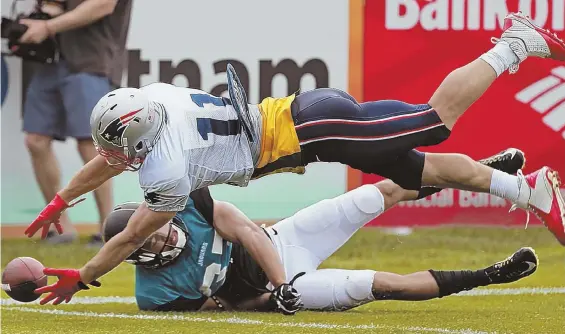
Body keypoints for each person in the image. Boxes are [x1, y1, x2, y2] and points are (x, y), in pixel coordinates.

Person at [26, 13, 565, 297]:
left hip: (309, 131)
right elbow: (114, 158)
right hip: (304, 118)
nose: (112, 156)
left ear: (139, 135)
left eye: (119, 146)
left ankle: (513, 45)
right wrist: (59, 201)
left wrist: (85, 274)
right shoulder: (155, 100)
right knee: (418, 168)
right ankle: (530, 190)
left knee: (433, 123)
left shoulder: (166, 169)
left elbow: (131, 235)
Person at [33, 148, 532, 307]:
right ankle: (487, 274)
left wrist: (278, 281)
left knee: (375, 194)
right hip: (278, 289)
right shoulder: (155, 293)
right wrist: (272, 299)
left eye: (154, 228)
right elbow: (225, 307)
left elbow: (247, 233)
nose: (162, 235)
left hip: (281, 242)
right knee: (380, 284)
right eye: (149, 243)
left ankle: (482, 170)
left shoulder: (193, 204)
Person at [19, 0, 132, 245]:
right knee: (36, 140)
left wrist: (48, 26)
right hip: (48, 59)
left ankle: (107, 228)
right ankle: (60, 227)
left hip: (91, 59)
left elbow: (102, 5)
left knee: (91, 143)